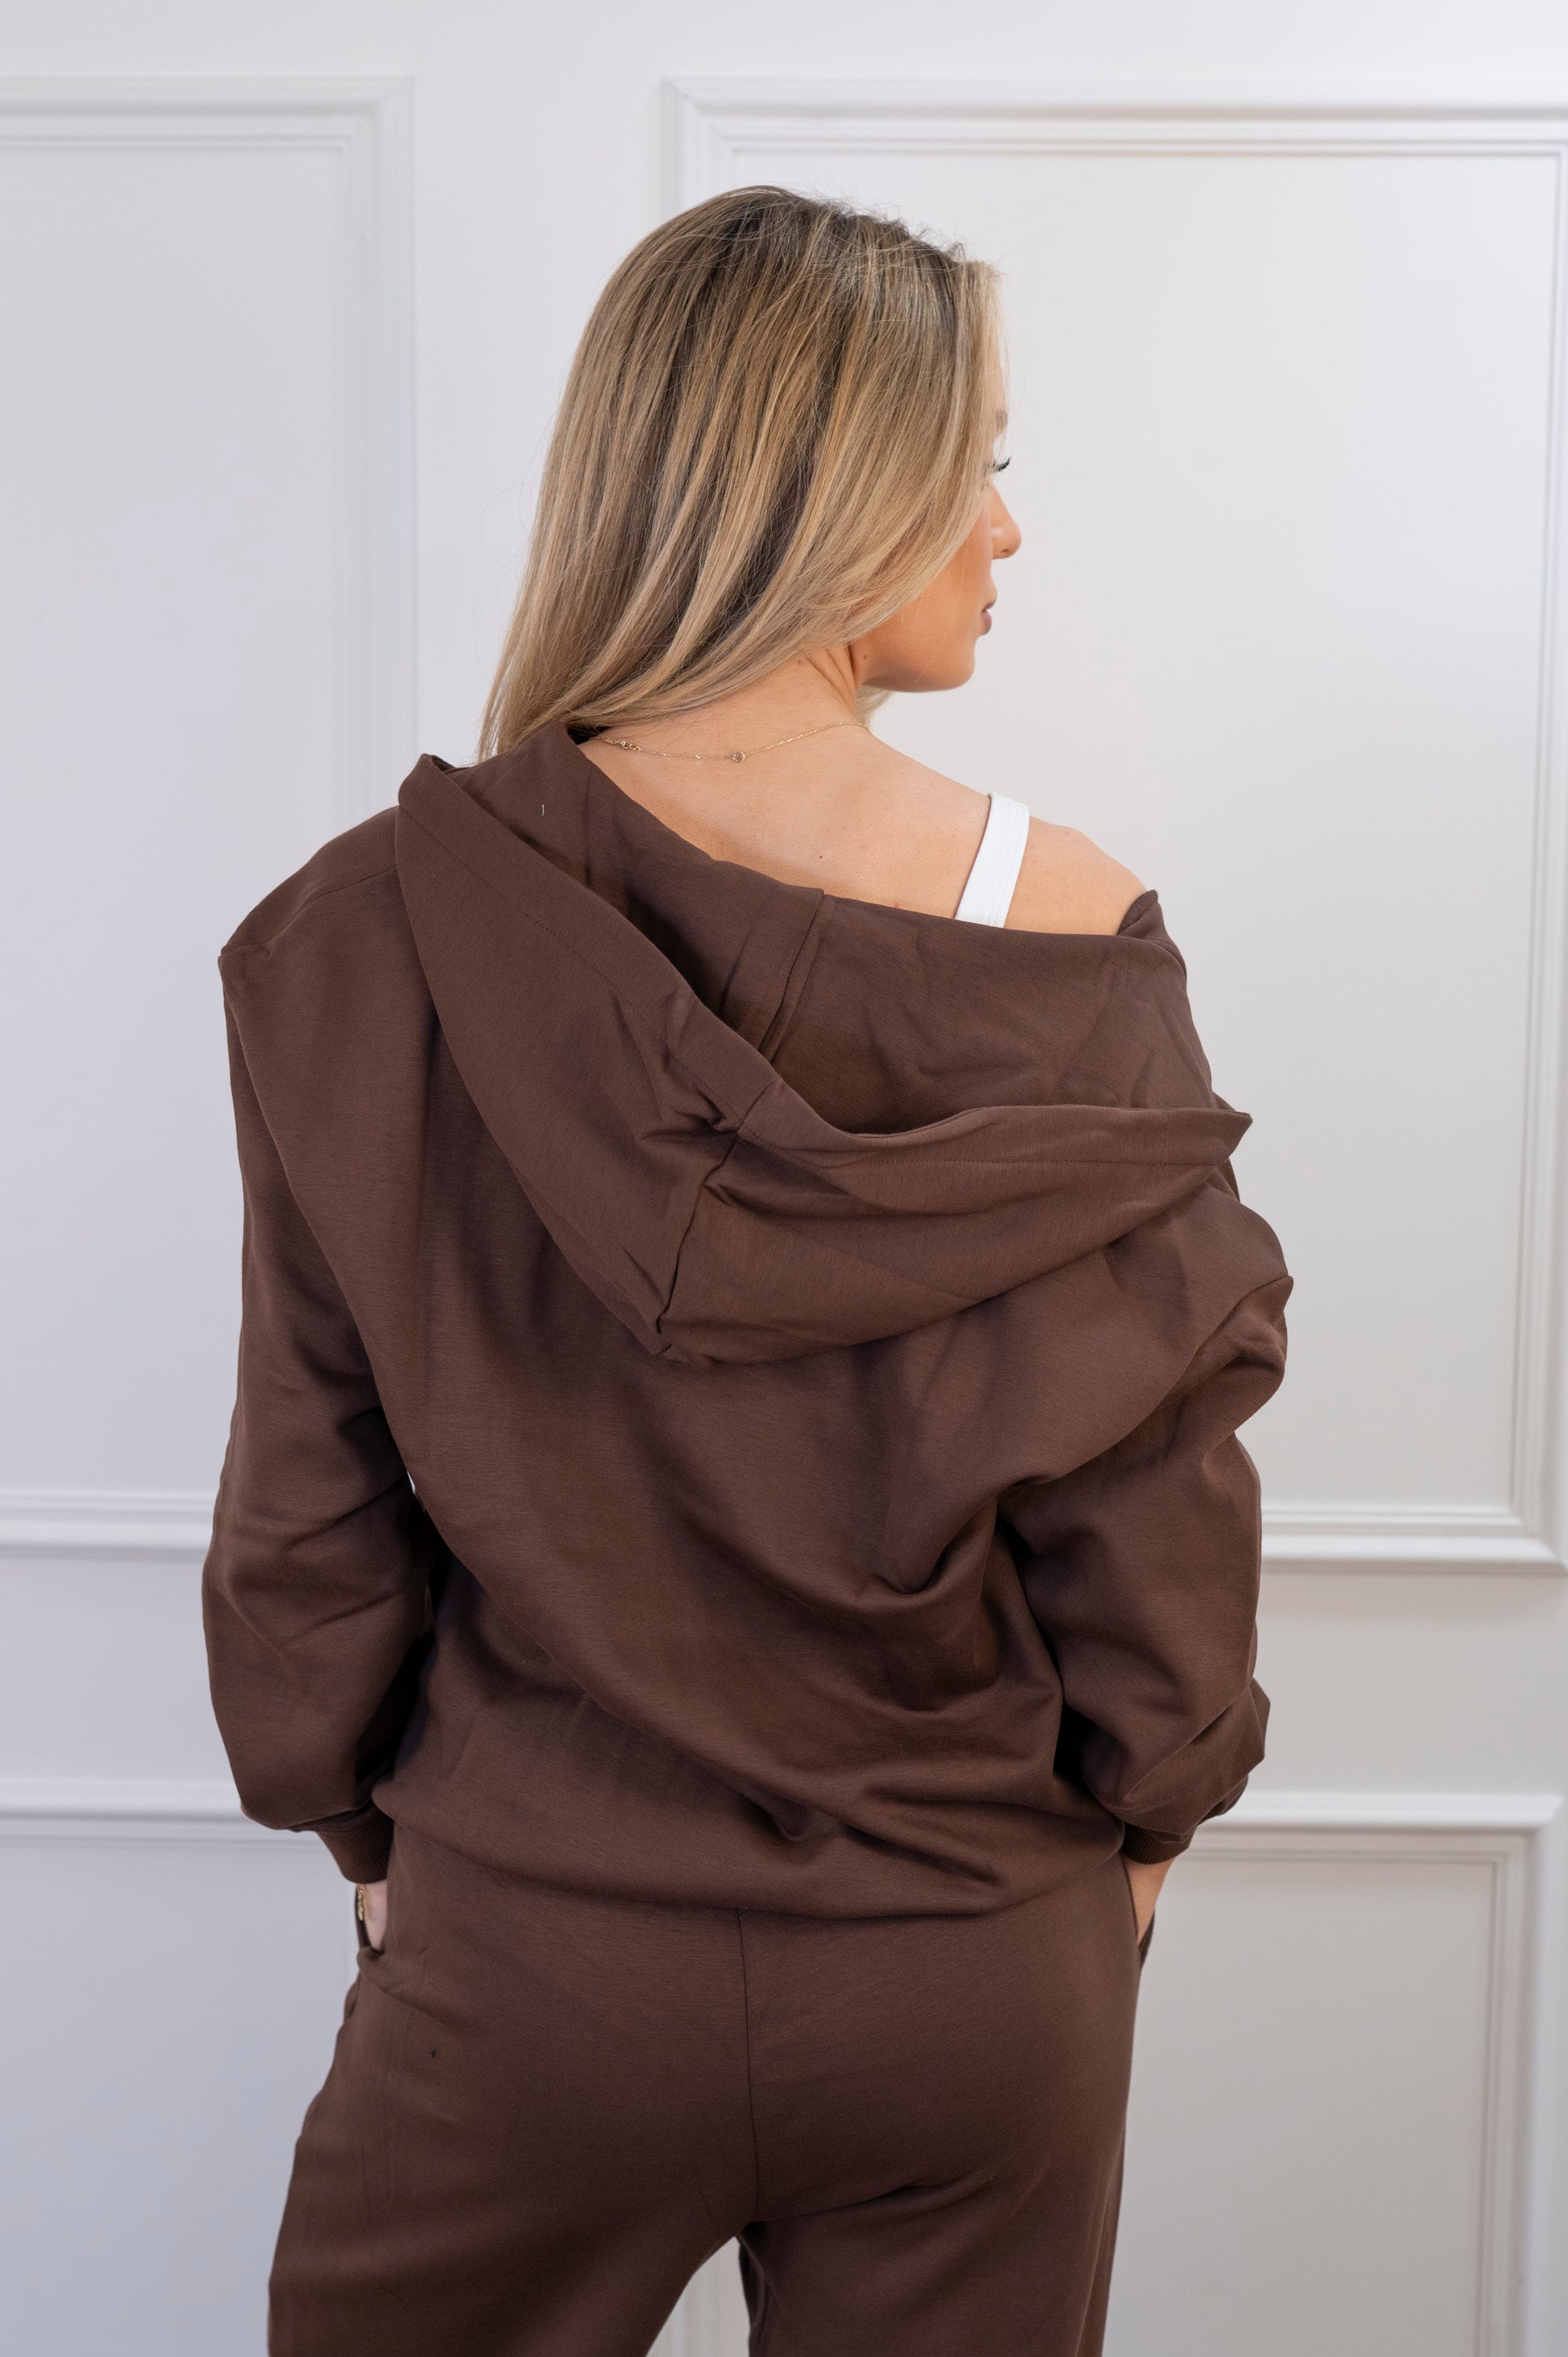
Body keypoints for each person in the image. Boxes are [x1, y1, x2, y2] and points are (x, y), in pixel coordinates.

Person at [203, 185, 1291, 2357]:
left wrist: (361, 1839)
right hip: (970, 1955)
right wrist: (1146, 1830)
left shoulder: (361, 930)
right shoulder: (1072, 935)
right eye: (974, 466)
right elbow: (1152, 1489)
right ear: (830, 495)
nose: (1005, 530)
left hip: (531, 1952)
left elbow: (311, 1491)